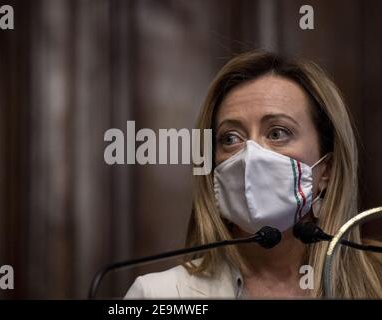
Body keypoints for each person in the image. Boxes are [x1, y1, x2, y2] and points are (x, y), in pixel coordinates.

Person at [124, 51, 382, 299]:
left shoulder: (377, 281)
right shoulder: (158, 295)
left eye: (277, 133)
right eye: (231, 138)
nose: (251, 155)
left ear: (327, 170)